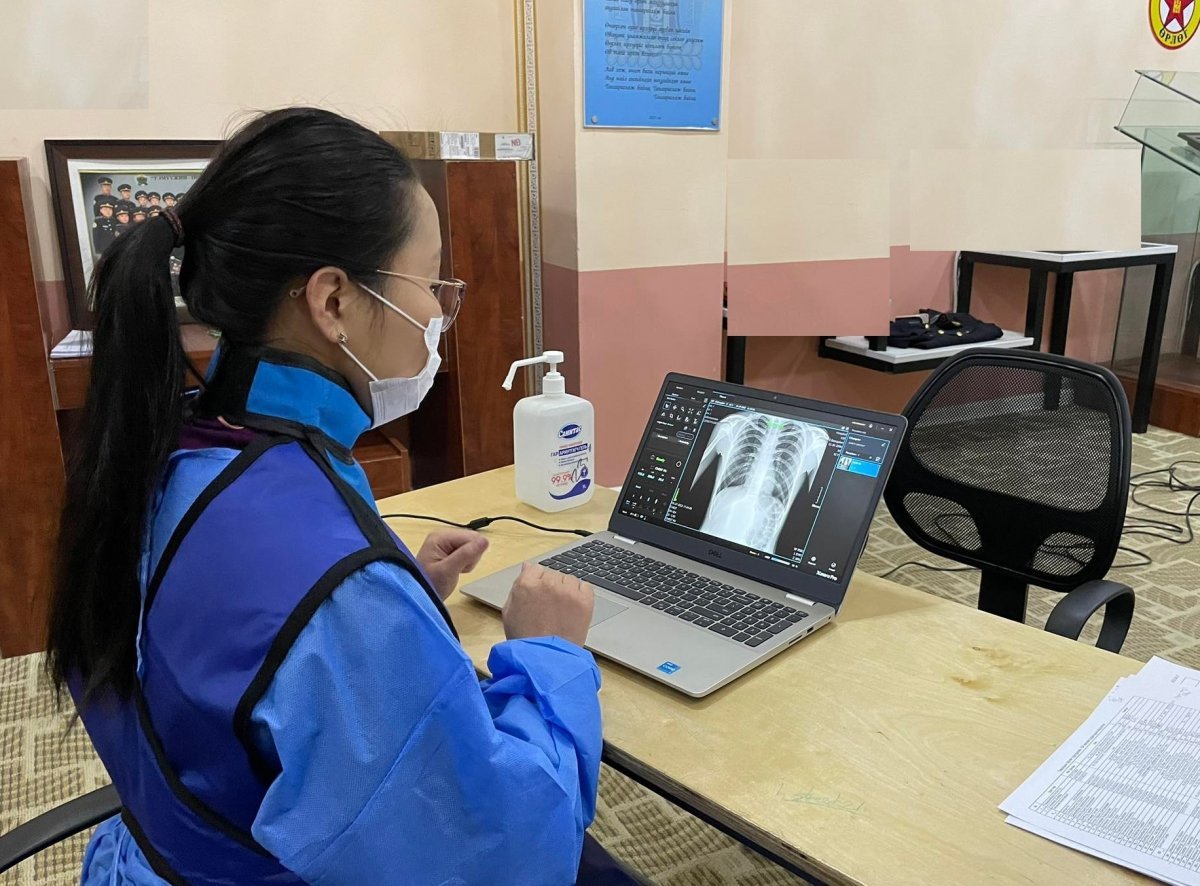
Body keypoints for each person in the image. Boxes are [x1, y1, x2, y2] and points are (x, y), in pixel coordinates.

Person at [47, 107, 635, 886]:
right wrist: (548, 652)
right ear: (332, 302)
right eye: (429, 283)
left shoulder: (171, 451)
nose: (438, 313)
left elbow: (225, 640)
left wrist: (399, 598)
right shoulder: (337, 592)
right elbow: (505, 856)